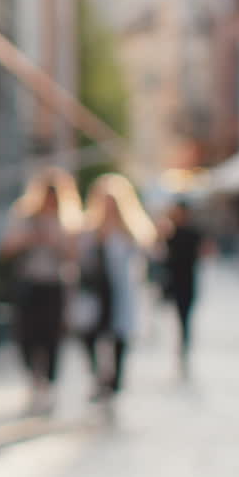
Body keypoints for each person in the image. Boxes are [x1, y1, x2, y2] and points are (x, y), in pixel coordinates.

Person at [0, 167, 82, 415]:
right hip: (29, 285)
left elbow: (75, 255)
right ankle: (34, 381)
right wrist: (28, 239)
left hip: (55, 286)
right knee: (26, 337)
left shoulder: (68, 221)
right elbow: (6, 248)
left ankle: (49, 384)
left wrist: (55, 242)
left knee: (52, 338)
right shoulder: (25, 217)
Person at [72, 173, 156, 404]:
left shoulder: (131, 230)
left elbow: (148, 253)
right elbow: (77, 256)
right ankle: (98, 377)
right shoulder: (89, 229)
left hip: (121, 291)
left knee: (119, 337)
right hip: (96, 290)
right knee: (89, 334)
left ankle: (114, 382)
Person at [160, 199, 207, 376]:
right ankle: (182, 346)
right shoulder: (171, 233)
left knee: (186, 317)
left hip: (188, 280)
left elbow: (204, 253)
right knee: (180, 317)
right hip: (175, 281)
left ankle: (184, 346)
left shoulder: (193, 232)